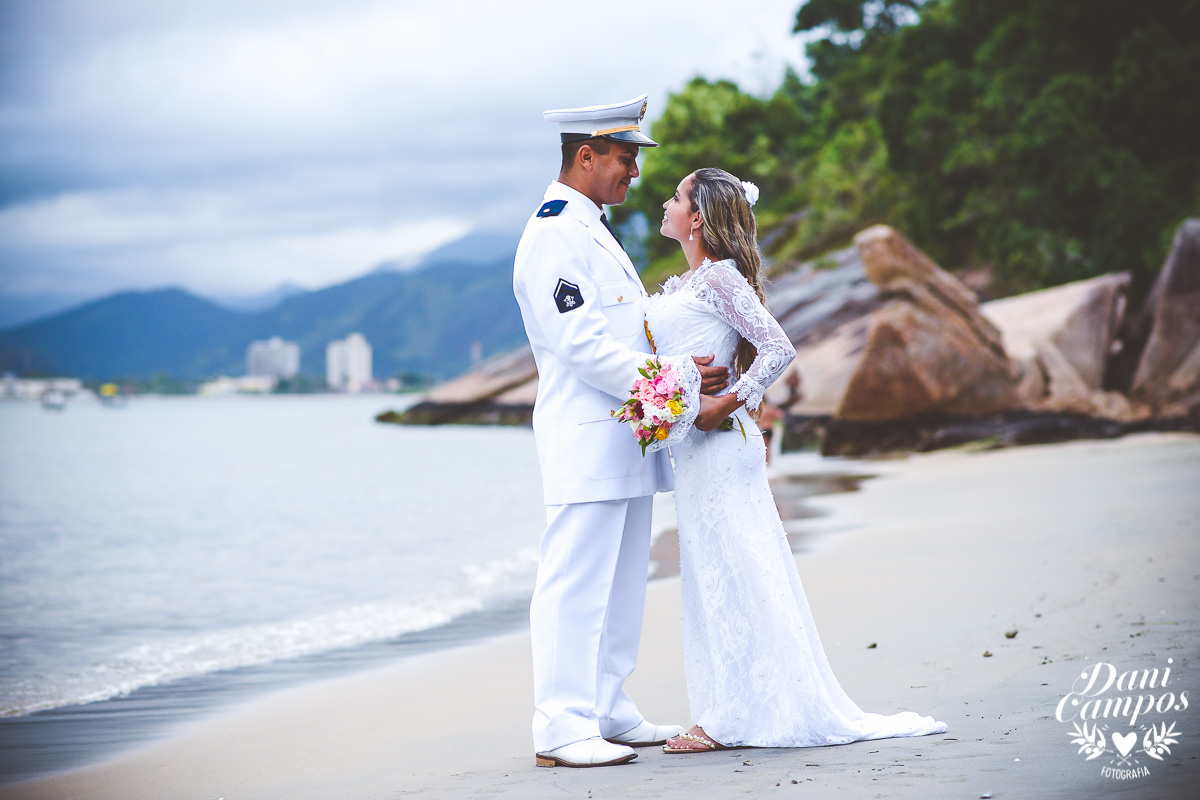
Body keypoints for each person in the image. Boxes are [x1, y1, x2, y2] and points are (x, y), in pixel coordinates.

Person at [644, 167, 947, 752]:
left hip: (720, 443)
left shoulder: (720, 278)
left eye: (676, 196)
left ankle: (729, 719)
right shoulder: (690, 282)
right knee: (717, 573)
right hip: (695, 448)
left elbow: (778, 347)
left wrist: (728, 400)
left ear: (698, 217)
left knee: (734, 570)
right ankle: (731, 707)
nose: (665, 202)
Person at [511, 96, 729, 769]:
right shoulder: (555, 233)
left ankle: (606, 707)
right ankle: (560, 724)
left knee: (621, 583)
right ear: (586, 155)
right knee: (575, 582)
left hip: (627, 435)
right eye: (625, 157)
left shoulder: (591, 228)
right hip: (587, 437)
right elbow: (582, 347)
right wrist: (678, 379)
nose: (635, 171)